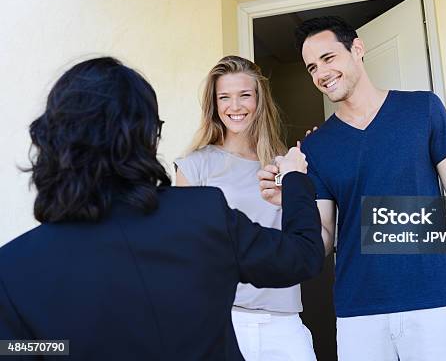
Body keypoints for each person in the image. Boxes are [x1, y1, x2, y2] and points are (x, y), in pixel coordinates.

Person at [0, 57, 324, 360]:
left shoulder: (13, 271)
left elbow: (28, 348)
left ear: (50, 139)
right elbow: (304, 254)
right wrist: (295, 179)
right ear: (145, 137)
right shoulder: (204, 215)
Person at [258, 16, 446, 360]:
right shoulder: (316, 148)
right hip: (358, 313)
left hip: (431, 302)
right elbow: (325, 238)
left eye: (329, 58)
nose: (321, 73)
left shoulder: (423, 110)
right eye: (312, 67)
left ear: (357, 49)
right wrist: (293, 202)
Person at [175, 55, 318, 361]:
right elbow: (185, 252)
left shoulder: (285, 163)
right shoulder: (194, 166)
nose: (235, 106)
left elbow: (309, 238)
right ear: (214, 105)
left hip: (283, 319)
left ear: (259, 99)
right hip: (224, 320)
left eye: (244, 95)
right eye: (224, 97)